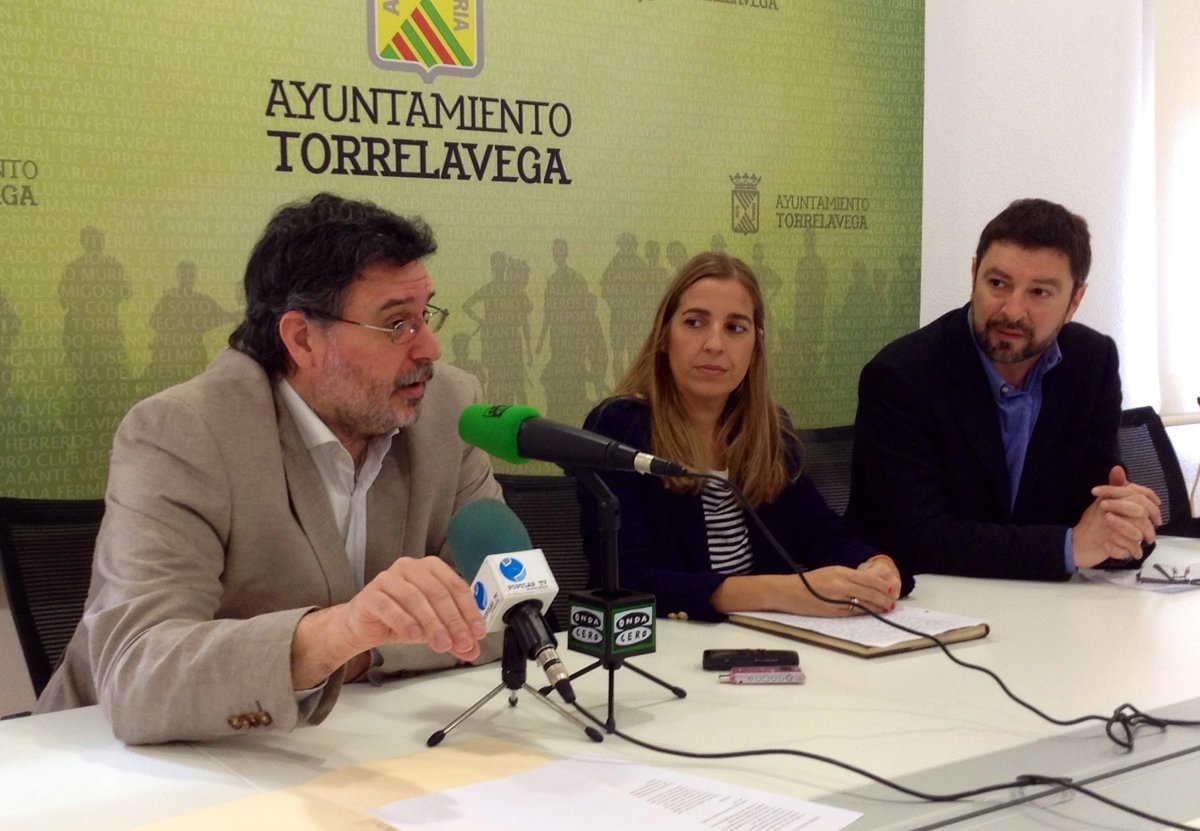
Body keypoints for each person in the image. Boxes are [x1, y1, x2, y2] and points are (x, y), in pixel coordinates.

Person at [36, 193, 501, 743]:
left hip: (356, 744)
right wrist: (338, 633)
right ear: (302, 339)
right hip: (121, 764)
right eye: (397, 324)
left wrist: (362, 649)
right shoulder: (182, 433)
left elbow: (508, 612)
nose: (430, 348)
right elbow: (140, 673)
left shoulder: (448, 408)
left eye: (426, 316)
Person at [580, 252, 908, 623]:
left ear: (756, 345)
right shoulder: (618, 428)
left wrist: (873, 564)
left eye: (735, 328)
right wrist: (783, 592)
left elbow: (819, 531)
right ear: (664, 336)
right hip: (661, 644)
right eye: (695, 322)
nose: (714, 344)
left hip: (757, 641)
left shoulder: (770, 430)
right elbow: (625, 579)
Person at [847, 198, 1161, 580]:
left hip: (1046, 602)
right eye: (998, 284)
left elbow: (1095, 504)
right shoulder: (902, 376)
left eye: (1039, 292)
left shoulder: (1091, 362)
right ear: (974, 274)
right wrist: (1071, 546)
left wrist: (1125, 523)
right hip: (927, 600)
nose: (1012, 311)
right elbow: (917, 539)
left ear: (1074, 301)